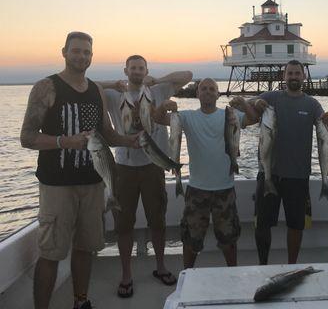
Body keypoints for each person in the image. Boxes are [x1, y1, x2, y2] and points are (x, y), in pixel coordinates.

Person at [20, 32, 139, 309]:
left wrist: (128, 140)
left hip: (93, 183)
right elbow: (27, 137)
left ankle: (80, 301)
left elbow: (106, 133)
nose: (82, 57)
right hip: (56, 186)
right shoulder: (45, 87)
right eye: (76, 51)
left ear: (92, 56)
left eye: (87, 52)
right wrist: (65, 141)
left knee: (86, 248)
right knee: (51, 253)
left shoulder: (96, 90)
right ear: (64, 52)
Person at [99, 56, 192, 298]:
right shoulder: (114, 96)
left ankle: (160, 266)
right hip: (123, 167)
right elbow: (91, 86)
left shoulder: (157, 90)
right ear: (126, 70)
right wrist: (114, 83)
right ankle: (126, 274)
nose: (137, 72)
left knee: (158, 219)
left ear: (146, 70)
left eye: (141, 68)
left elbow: (188, 75)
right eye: (133, 68)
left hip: (154, 165)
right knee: (123, 224)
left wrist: (156, 80)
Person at [154, 78, 257, 269]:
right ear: (197, 94)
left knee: (228, 239)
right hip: (196, 189)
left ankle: (232, 274)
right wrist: (163, 106)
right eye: (204, 89)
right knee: (191, 240)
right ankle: (188, 274)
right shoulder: (187, 117)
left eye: (212, 89)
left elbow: (253, 119)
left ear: (218, 94)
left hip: (225, 189)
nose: (208, 92)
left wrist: (243, 103)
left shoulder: (229, 115)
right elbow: (158, 118)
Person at [237, 60, 328, 265]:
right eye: (290, 73)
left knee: (296, 225)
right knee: (262, 223)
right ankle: (263, 265)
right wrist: (255, 102)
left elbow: (325, 130)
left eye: (297, 73)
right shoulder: (271, 97)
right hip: (269, 173)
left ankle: (292, 264)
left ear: (303, 76)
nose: (294, 77)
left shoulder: (312, 104)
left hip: (298, 176)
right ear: (284, 76)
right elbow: (248, 101)